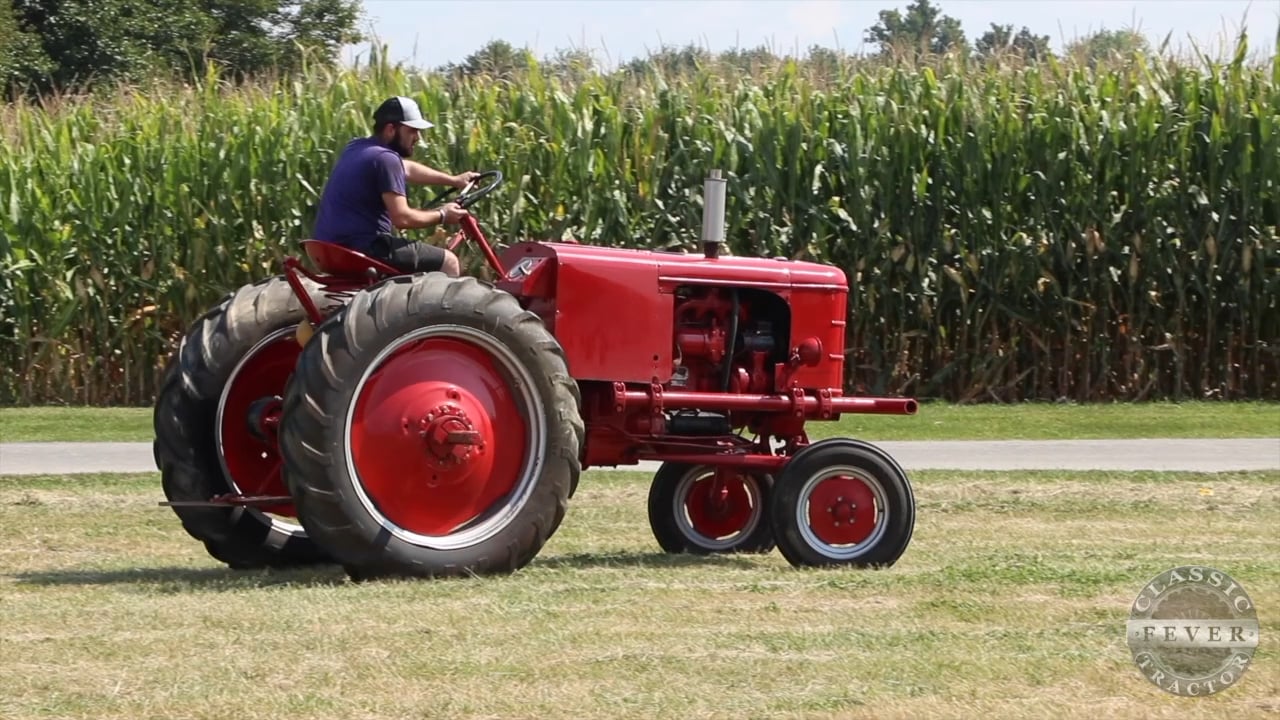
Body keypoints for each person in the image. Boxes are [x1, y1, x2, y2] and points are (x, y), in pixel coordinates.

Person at [311, 95, 481, 276]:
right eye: (412, 131)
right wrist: (443, 215)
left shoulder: (357, 148)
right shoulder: (385, 159)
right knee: (449, 261)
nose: (418, 138)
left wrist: (454, 180)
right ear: (391, 129)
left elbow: (405, 168)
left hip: (329, 250)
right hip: (363, 250)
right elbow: (402, 219)